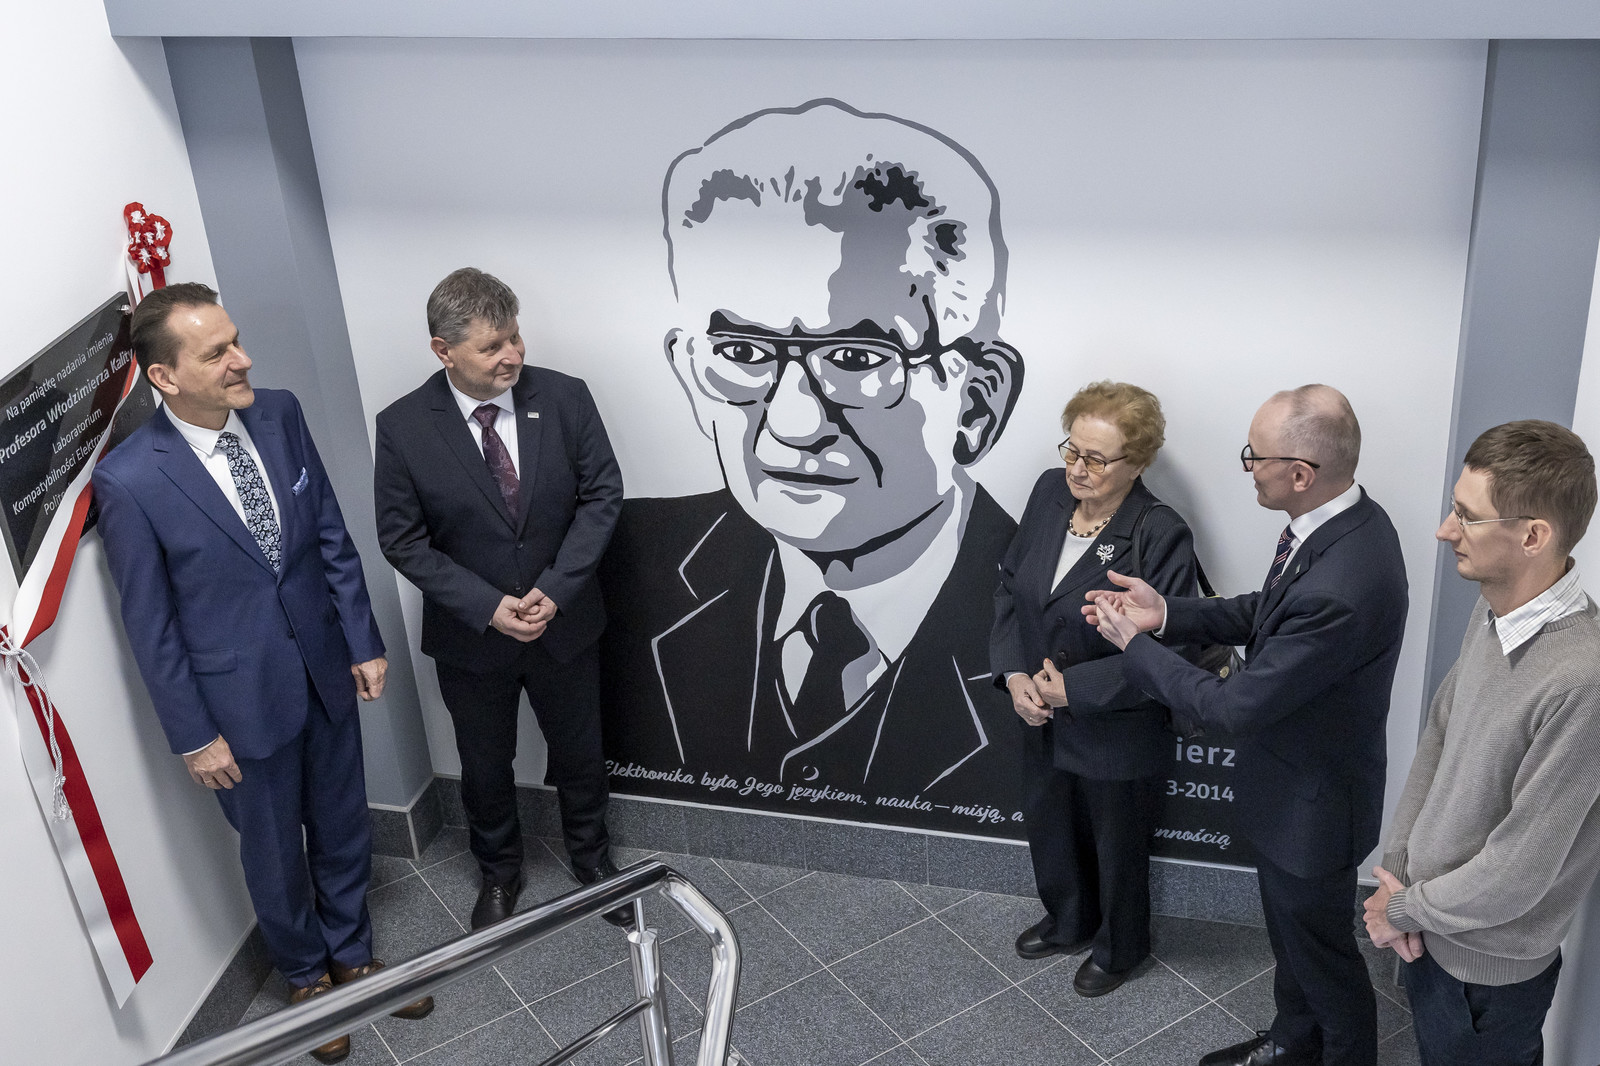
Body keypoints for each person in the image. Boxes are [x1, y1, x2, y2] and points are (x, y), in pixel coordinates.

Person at [597, 99, 1025, 833]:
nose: (794, 424)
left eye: (857, 358)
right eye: (742, 353)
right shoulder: (632, 563)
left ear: (976, 402)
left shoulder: (1045, 611)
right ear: (689, 372)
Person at [93, 283, 430, 1065]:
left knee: (344, 826)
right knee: (274, 854)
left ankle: (355, 960)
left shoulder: (279, 414)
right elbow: (150, 625)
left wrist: (362, 639)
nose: (243, 360)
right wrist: (193, 735)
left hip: (324, 669)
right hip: (236, 706)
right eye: (217, 353)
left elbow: (329, 535)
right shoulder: (131, 480)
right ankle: (306, 980)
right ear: (164, 377)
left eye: (236, 340)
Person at [1085, 384, 1408, 1066]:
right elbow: (1272, 610)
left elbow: (1233, 708)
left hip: (1313, 811)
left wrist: (1133, 647)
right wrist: (1167, 614)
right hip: (1292, 794)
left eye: (1254, 457)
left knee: (1324, 962)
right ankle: (1292, 1043)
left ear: (1301, 473)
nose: (1248, 468)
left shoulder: (1344, 582)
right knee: (1294, 946)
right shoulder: (1344, 525)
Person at [374, 268, 627, 931]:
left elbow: (603, 495)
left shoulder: (565, 397)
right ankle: (498, 874)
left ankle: (593, 862)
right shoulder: (403, 426)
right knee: (485, 764)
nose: (512, 354)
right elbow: (401, 540)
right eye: (491, 346)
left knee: (579, 752)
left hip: (564, 624)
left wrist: (556, 589)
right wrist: (489, 606)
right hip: (472, 637)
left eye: (514, 336)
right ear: (444, 350)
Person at [1363, 420, 1600, 1066]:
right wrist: (1399, 873)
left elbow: (1519, 870)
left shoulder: (1583, 680)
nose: (1446, 531)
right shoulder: (1495, 609)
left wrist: (1402, 907)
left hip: (1488, 973)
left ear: (1532, 536)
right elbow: (1440, 734)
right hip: (1429, 924)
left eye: (1467, 517)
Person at [991, 381, 1198, 998]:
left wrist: (1072, 690)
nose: (1077, 469)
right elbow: (1010, 587)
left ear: (1137, 463)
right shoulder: (1049, 493)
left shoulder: (1159, 532)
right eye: (1072, 451)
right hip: (1041, 710)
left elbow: (1170, 649)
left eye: (1097, 460)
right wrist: (1015, 674)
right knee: (1051, 824)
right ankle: (1069, 920)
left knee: (1117, 845)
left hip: (1116, 720)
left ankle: (1121, 947)